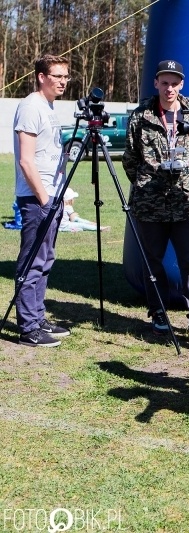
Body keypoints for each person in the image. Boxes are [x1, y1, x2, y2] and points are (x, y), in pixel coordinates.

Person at [122, 59, 189, 340]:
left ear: (182, 84)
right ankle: (158, 312)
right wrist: (146, 184)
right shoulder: (141, 116)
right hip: (149, 202)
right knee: (152, 260)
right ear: (156, 83)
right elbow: (130, 159)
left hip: (183, 201)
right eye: (164, 83)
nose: (169, 89)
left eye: (174, 83)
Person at [13, 54, 72, 348]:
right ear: (41, 77)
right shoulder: (30, 106)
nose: (63, 81)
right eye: (57, 76)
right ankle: (27, 328)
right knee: (32, 261)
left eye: (66, 76)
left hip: (51, 195)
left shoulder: (48, 107)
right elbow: (26, 160)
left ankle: (37, 317)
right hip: (37, 198)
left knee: (46, 260)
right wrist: (44, 197)